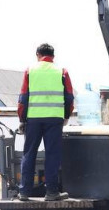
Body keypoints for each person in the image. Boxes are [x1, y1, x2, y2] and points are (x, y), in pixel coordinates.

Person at [16, 43, 74, 201]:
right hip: (55, 119)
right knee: (52, 154)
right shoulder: (62, 71)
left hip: (33, 119)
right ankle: (52, 192)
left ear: (37, 55)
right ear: (53, 56)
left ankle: (24, 192)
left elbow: (23, 97)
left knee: (29, 154)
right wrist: (67, 116)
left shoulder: (30, 70)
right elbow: (69, 96)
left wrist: (22, 119)